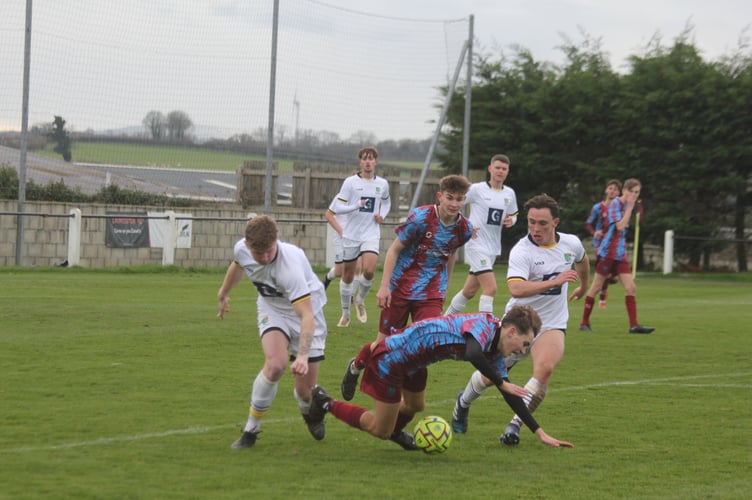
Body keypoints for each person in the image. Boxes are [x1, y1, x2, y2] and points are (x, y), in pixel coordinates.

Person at [309, 306, 574, 450]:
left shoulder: (495, 351)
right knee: (380, 429)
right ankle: (324, 402)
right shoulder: (484, 326)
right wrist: (502, 381)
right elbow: (472, 352)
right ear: (512, 331)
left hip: (417, 361)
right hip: (392, 360)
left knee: (415, 406)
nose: (523, 351)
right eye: (525, 344)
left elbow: (510, 395)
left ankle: (395, 428)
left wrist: (539, 432)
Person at [450, 193, 590, 446]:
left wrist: (584, 286)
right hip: (520, 322)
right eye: (531, 222)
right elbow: (516, 289)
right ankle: (463, 402)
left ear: (555, 222)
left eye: (543, 224)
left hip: (551, 322)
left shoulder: (570, 243)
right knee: (491, 376)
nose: (536, 229)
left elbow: (582, 261)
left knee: (545, 368)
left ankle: (514, 426)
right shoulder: (522, 251)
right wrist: (556, 281)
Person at [339, 175, 474, 409]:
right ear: (440, 197)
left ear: (464, 201)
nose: (454, 204)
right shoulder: (420, 217)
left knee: (425, 344)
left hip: (431, 295)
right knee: (384, 345)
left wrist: (445, 288)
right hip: (400, 289)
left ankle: (402, 394)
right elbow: (393, 251)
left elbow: (450, 254)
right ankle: (356, 365)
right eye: (450, 198)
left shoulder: (464, 229)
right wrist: (384, 286)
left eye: (459, 199)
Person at [217, 215, 328, 449]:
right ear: (248, 245)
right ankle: (251, 430)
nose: (266, 257)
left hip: (308, 312)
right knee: (276, 365)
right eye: (260, 254)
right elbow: (238, 266)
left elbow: (307, 316)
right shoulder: (242, 249)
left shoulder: (290, 268)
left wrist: (303, 356)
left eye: (269, 251)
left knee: (305, 393)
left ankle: (309, 411)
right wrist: (224, 292)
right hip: (272, 308)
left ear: (276, 240)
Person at [445, 154, 518, 315]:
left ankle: (443, 320)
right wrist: (464, 224)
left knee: (469, 292)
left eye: (504, 169)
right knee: (490, 288)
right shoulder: (477, 189)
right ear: (490, 169)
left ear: (507, 172)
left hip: (493, 247)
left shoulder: (509, 193)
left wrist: (511, 221)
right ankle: (486, 330)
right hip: (476, 244)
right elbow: (455, 204)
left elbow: (514, 214)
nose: (500, 171)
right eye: (497, 167)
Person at [579, 178, 654, 334]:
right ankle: (584, 322)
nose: (634, 195)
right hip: (608, 252)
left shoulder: (627, 205)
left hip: (620, 253)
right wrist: (630, 208)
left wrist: (635, 209)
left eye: (637, 192)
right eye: (632, 191)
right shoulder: (615, 204)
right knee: (596, 287)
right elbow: (619, 226)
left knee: (631, 287)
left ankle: (634, 325)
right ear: (625, 191)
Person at [330, 147, 391, 327]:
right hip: (351, 234)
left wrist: (383, 215)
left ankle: (360, 300)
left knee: (370, 270)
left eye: (371, 159)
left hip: (371, 232)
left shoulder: (382, 183)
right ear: (360, 162)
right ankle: (346, 313)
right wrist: (356, 205)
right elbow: (338, 208)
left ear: (376, 162)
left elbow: (386, 202)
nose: (367, 161)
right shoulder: (349, 183)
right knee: (348, 275)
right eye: (364, 158)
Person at [584, 179, 621, 309]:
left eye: (615, 189)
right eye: (610, 188)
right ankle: (602, 298)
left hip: (615, 245)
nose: (612, 191)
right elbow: (588, 223)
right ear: (606, 190)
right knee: (604, 272)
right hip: (601, 245)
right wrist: (594, 232)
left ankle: (602, 291)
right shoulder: (598, 207)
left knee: (614, 277)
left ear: (619, 193)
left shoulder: (620, 208)